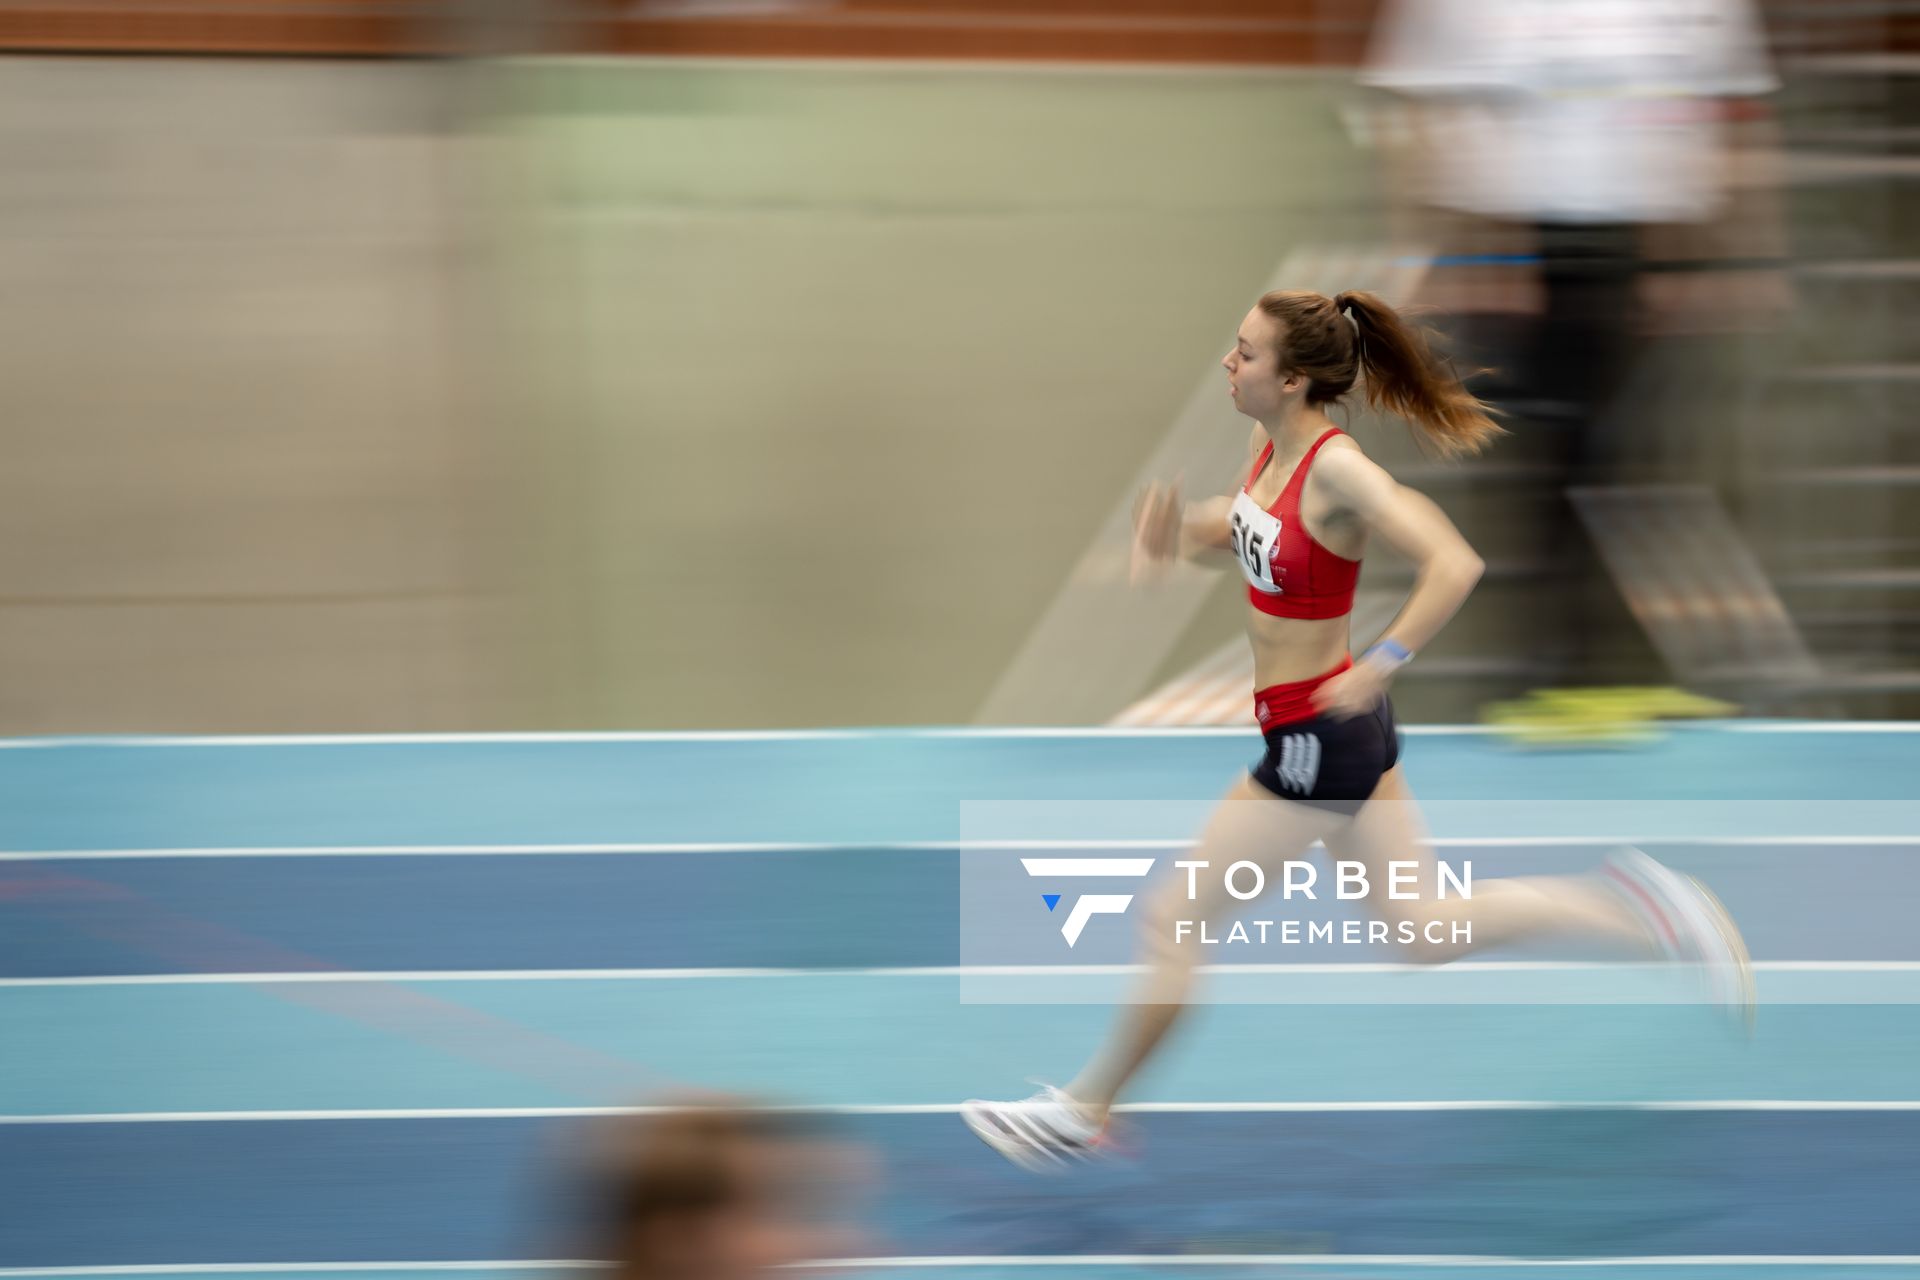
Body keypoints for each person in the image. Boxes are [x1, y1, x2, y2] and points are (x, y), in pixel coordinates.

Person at [960, 289, 1753, 1171]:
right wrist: (1173, 533)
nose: (1229, 363)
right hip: (1342, 731)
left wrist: (1385, 659)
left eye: (1246, 354)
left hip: (1318, 740)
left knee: (1175, 917)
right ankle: (1646, 914)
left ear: (1294, 380)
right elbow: (1248, 527)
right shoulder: (1270, 453)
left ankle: (1086, 1110)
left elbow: (1456, 560)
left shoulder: (1337, 470)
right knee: (1421, 932)